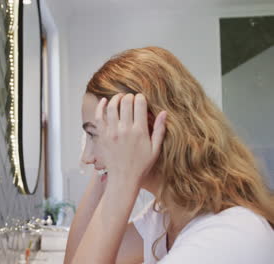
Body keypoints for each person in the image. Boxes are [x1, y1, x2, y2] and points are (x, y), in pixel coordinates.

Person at [64, 47, 274, 264]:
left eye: (94, 135)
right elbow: (76, 257)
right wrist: (107, 172)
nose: (87, 158)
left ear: (146, 128)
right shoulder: (164, 216)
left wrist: (121, 179)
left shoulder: (229, 236)